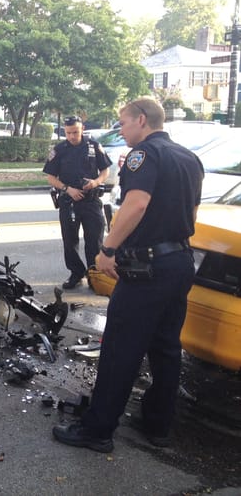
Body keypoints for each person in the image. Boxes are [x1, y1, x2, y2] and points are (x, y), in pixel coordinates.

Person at [52, 98, 204, 453]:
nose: (120, 129)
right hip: (180, 261)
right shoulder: (189, 158)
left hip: (147, 270)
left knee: (120, 348)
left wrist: (107, 250)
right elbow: (193, 212)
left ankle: (97, 430)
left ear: (141, 120)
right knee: (166, 347)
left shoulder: (144, 156)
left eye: (122, 123)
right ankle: (158, 424)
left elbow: (136, 204)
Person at [43, 116, 112, 289]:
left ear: (82, 129)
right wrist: (68, 189)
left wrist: (95, 182)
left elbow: (105, 171)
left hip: (91, 200)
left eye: (75, 132)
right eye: (68, 133)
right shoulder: (59, 150)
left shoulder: (93, 146)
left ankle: (94, 274)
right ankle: (76, 273)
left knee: (94, 240)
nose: (72, 136)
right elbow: (51, 178)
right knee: (69, 240)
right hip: (69, 201)